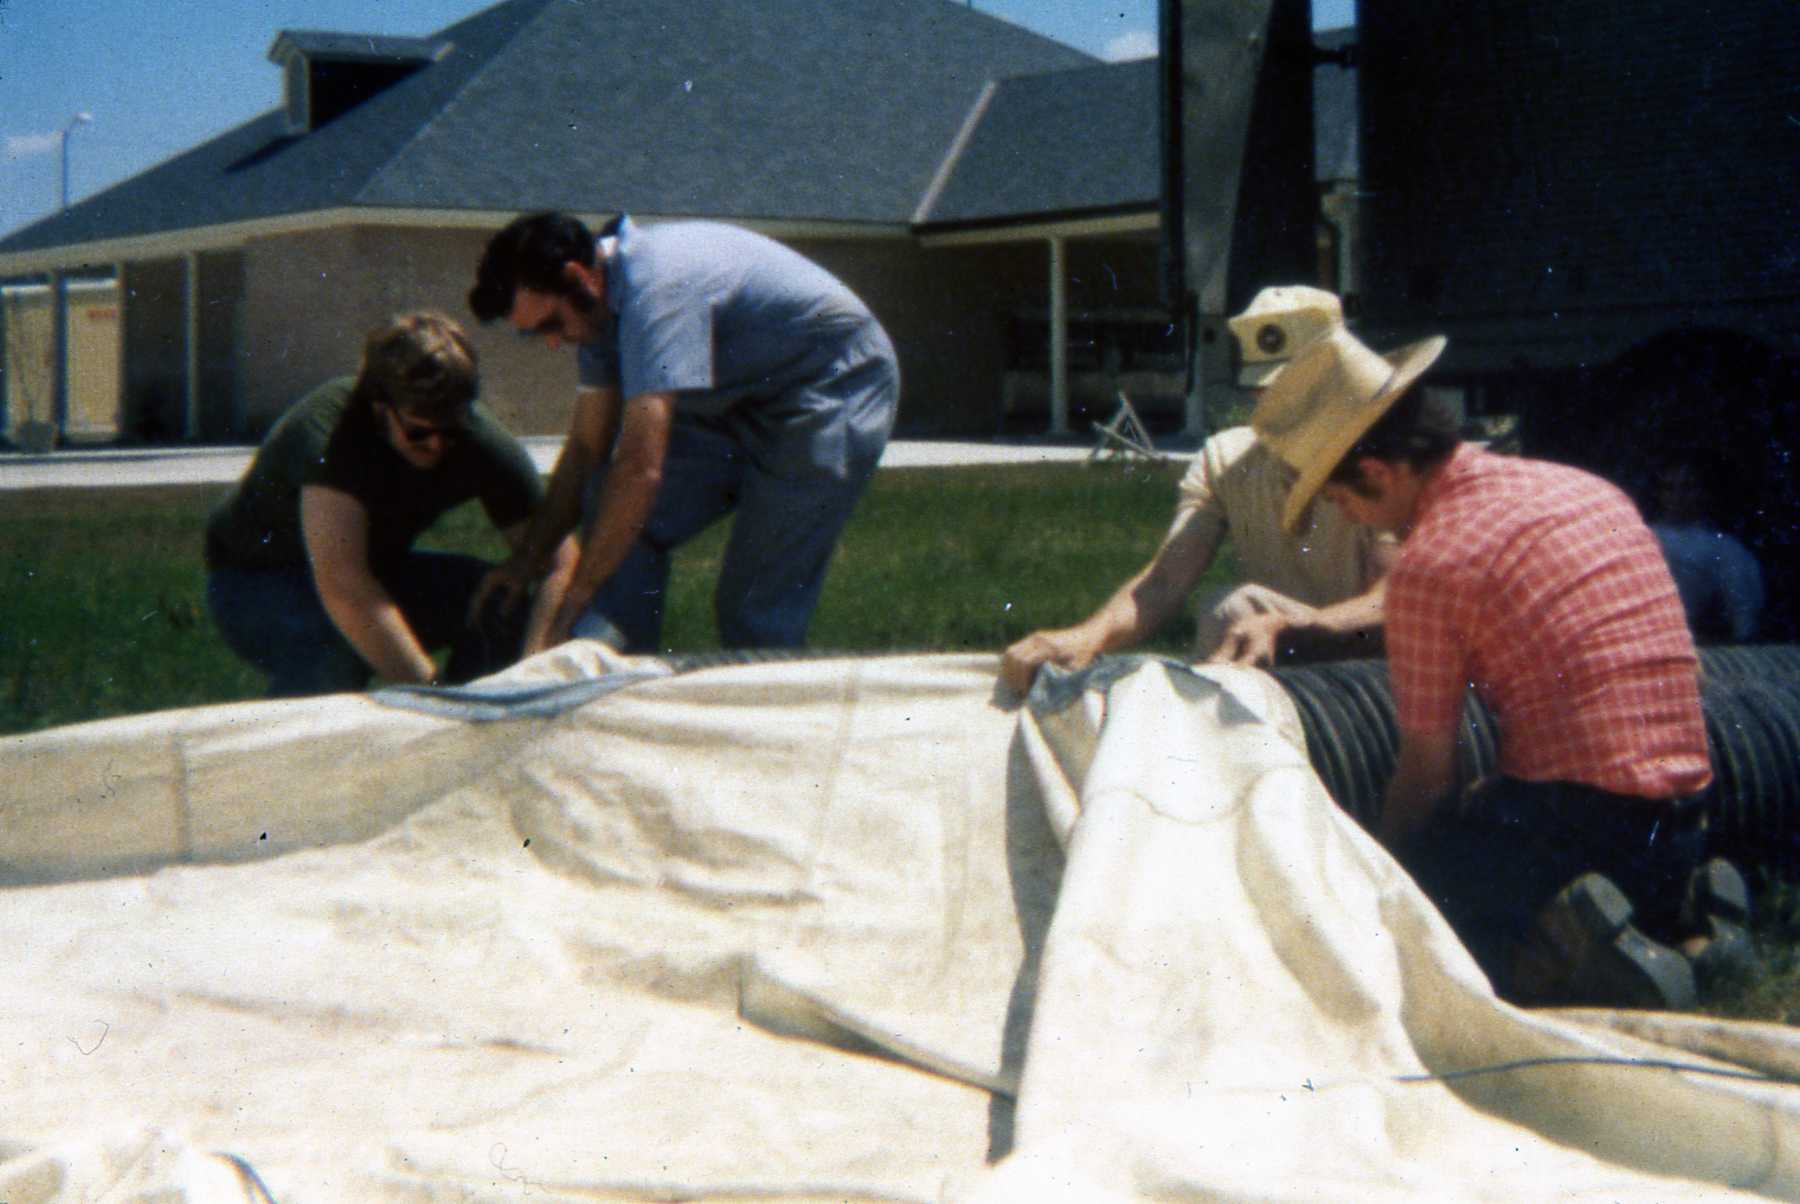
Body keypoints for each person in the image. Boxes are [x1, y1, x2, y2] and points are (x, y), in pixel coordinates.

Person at [1259, 322, 1749, 1009]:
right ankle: (1686, 922)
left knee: (1429, 900)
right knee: (1506, 806)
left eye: (1343, 502)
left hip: (1583, 824)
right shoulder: (1586, 490)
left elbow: (1427, 773)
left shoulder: (1432, 563)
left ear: (1376, 472)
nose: (1356, 522)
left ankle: (1573, 956)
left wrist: (1381, 875)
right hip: (1688, 810)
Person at [465, 211, 899, 654]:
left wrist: (576, 596)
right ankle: (619, 670)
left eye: (551, 324)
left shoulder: (656, 291)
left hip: (832, 384)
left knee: (753, 606)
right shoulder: (597, 313)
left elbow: (641, 468)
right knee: (606, 499)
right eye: (535, 335)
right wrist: (525, 562)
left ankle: (770, 692)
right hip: (741, 401)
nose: (553, 342)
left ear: (579, 278)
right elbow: (584, 451)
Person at [1000, 286, 1394, 694]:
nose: (1276, 403)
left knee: (1236, 608)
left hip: (1370, 669)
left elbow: (1392, 600)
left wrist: (1291, 626)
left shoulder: (1380, 462)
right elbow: (1165, 581)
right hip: (1274, 654)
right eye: (1267, 390)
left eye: (1296, 389)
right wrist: (1088, 636)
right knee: (1227, 613)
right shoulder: (1227, 459)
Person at [205, 312, 576, 697]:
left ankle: (482, 719)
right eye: (418, 431)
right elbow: (343, 586)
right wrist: (433, 692)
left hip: (372, 572)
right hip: (255, 580)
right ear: (380, 408)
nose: (437, 444)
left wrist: (535, 667)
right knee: (335, 645)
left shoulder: (479, 437)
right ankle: (298, 736)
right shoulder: (331, 432)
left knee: (500, 602)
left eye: (451, 430)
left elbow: (561, 563)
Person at [1647, 454, 1765, 644]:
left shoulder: (1726, 548)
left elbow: (1744, 619)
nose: (1677, 496)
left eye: (1687, 487)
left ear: (1702, 492)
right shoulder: (1641, 538)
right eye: (1669, 488)